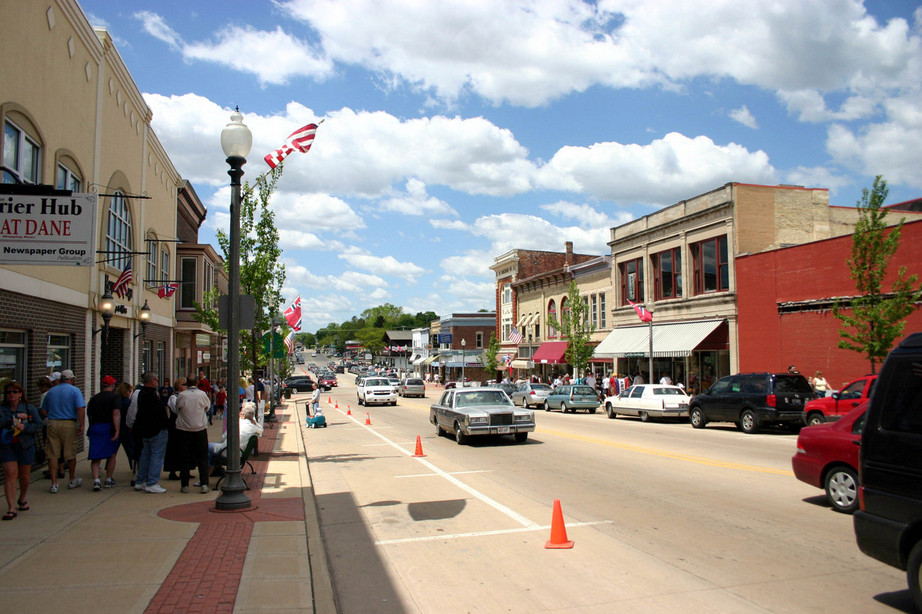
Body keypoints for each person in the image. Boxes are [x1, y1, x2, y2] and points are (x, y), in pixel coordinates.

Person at [1, 382, 43, 520]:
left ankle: (22, 498)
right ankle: (11, 508)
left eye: (14, 391)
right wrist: (11, 419)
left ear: (20, 394)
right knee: (10, 474)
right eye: (8, 392)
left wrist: (26, 427)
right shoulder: (2, 409)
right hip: (7, 446)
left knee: (24, 477)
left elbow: (38, 424)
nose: (11, 394)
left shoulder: (28, 408)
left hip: (25, 445)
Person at [41, 369, 86, 493]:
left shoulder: (51, 391)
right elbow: (80, 408)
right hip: (68, 423)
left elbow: (43, 410)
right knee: (70, 452)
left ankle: (54, 483)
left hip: (52, 423)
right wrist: (82, 425)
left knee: (52, 453)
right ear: (71, 379)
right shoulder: (75, 390)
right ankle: (71, 479)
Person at [132, 372, 169, 493]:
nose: (158, 381)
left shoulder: (141, 393)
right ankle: (152, 482)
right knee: (156, 456)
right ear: (152, 381)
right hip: (156, 430)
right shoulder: (151, 395)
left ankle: (140, 480)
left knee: (145, 455)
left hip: (145, 429)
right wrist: (164, 424)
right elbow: (158, 412)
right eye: (156, 380)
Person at [175, 374, 211, 494]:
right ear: (197, 383)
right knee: (202, 458)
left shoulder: (182, 395)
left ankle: (184, 485)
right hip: (199, 429)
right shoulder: (202, 394)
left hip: (184, 430)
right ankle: (204, 484)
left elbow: (177, 408)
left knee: (184, 457)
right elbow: (207, 407)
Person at [86, 375, 121, 491]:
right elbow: (115, 413)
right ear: (111, 385)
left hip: (96, 427)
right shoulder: (115, 398)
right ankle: (108, 479)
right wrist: (117, 430)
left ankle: (96, 480)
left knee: (96, 456)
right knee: (111, 455)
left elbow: (89, 414)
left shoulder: (94, 398)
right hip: (108, 427)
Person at [209, 402, 263, 469]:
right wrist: (255, 423)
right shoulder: (254, 428)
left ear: (242, 414)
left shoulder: (237, 423)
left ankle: (209, 473)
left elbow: (224, 437)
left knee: (207, 448)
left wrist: (218, 443)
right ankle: (215, 470)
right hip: (240, 453)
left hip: (228, 451)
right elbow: (261, 429)